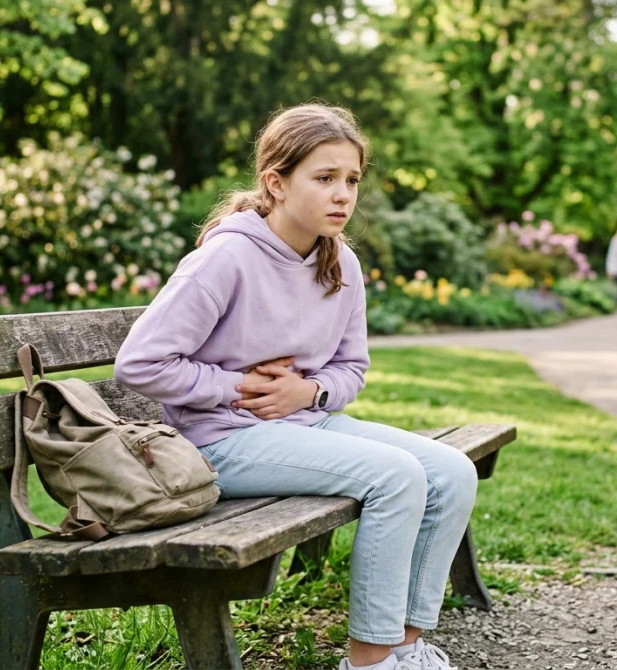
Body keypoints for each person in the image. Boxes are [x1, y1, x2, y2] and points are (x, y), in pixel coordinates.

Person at [113, 104, 476, 670]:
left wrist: (306, 394)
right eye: (325, 178)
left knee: (453, 471)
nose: (343, 195)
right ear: (276, 183)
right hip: (218, 443)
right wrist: (236, 386)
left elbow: (352, 367)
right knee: (396, 475)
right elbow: (138, 364)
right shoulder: (226, 257)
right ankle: (370, 660)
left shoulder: (342, 264)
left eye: (352, 179)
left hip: (304, 423)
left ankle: (406, 648)